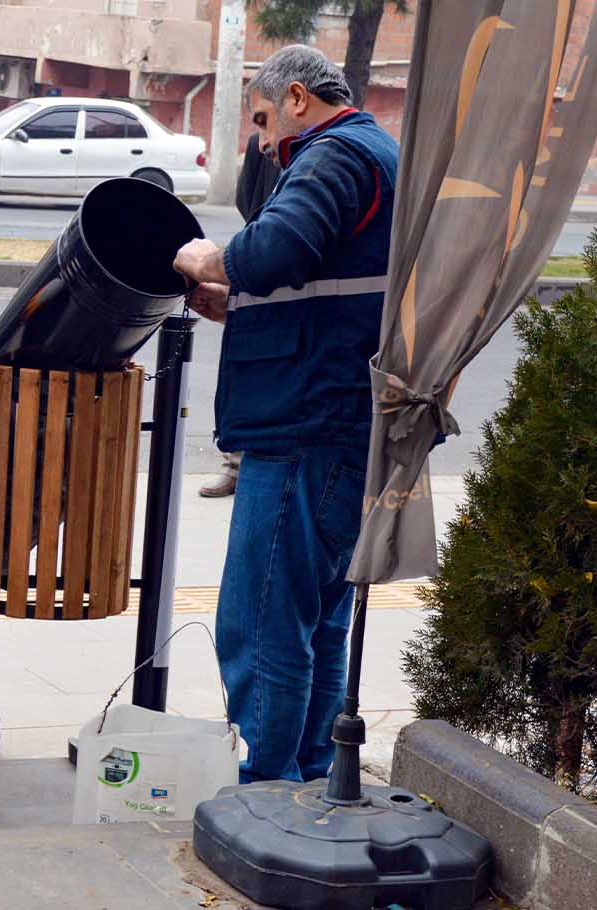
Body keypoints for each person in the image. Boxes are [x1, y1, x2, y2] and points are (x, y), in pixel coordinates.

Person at [172, 45, 398, 784]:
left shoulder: (334, 154)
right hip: (340, 420)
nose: (265, 142)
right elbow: (321, 278)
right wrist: (237, 299)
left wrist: (212, 260)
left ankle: (266, 791)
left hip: (305, 424)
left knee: (261, 621)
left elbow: (280, 246)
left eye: (266, 120)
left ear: (298, 98)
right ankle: (303, 778)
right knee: (316, 621)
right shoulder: (377, 154)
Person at [202, 133, 282, 500]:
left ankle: (255, 465)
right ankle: (235, 465)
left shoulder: (324, 147)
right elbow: (245, 196)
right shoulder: (260, 143)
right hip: (257, 257)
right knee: (243, 370)